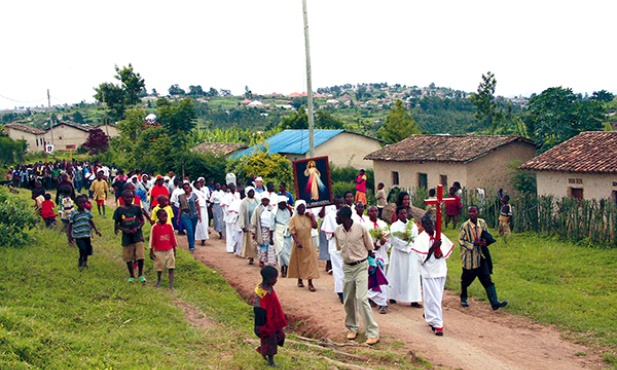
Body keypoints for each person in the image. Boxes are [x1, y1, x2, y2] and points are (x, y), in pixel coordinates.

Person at [334, 206, 380, 345]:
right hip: (347, 268)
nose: (336, 219)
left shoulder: (360, 228)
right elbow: (338, 248)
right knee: (348, 299)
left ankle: (372, 333)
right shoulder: (337, 231)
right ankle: (352, 327)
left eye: (338, 216)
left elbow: (370, 247)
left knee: (361, 298)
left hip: (361, 266)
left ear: (346, 218)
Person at [411, 214, 455, 336]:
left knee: (436, 297)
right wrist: (432, 248)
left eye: (432, 223)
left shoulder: (438, 235)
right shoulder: (421, 239)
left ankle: (430, 315)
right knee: (434, 298)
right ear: (423, 226)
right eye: (428, 224)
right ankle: (438, 324)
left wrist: (439, 250)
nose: (431, 226)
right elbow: (421, 259)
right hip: (429, 272)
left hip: (440, 270)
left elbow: (445, 253)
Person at [459, 205, 508, 310]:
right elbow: (461, 241)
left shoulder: (482, 223)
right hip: (469, 259)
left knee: (487, 280)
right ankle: (463, 297)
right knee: (466, 280)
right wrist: (473, 244)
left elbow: (487, 235)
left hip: (481, 257)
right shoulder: (465, 226)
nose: (472, 213)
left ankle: (494, 302)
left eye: (474, 211)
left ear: (477, 212)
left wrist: (485, 242)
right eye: (470, 211)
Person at [387, 206, 423, 308]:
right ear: (397, 215)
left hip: (410, 253)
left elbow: (415, 238)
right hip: (398, 252)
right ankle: (393, 295)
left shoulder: (412, 226)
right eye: (401, 213)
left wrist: (409, 244)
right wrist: (405, 244)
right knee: (396, 273)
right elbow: (394, 238)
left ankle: (413, 299)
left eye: (404, 213)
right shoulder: (394, 226)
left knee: (412, 275)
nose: (403, 215)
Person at [253, 266, 287, 368]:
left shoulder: (269, 288)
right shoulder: (262, 294)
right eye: (274, 278)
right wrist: (259, 326)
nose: (276, 280)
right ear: (267, 278)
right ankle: (271, 362)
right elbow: (258, 310)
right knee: (271, 341)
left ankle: (263, 349)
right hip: (266, 323)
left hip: (273, 320)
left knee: (280, 336)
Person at [113, 190, 146, 283]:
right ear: (122, 198)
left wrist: (138, 227)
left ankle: (140, 274)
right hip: (126, 236)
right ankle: (132, 275)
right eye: (127, 197)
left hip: (138, 235)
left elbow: (142, 221)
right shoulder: (119, 210)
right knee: (128, 257)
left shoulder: (136, 208)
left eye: (131, 197)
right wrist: (123, 229)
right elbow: (116, 223)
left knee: (140, 256)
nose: (129, 199)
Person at [287, 200, 319, 291]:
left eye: (303, 207)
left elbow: (315, 226)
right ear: (296, 208)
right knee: (299, 262)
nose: (302, 209)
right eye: (300, 207)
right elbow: (292, 232)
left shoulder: (308, 217)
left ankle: (310, 283)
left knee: (310, 263)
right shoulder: (293, 219)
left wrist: (312, 217)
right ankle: (300, 279)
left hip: (308, 242)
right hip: (298, 243)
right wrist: (297, 242)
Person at [366, 206, 391, 314]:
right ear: (368, 213)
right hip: (371, 255)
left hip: (382, 255)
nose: (374, 213)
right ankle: (376, 299)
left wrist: (383, 243)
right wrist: (373, 247)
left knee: (381, 278)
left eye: (376, 211)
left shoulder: (383, 225)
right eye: (372, 211)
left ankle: (382, 302)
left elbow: (389, 240)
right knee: (372, 278)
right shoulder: (365, 225)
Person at [321, 196, 345, 302]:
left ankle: (349, 291)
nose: (340, 205)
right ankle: (341, 292)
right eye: (338, 203)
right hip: (335, 247)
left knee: (347, 270)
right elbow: (328, 233)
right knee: (338, 270)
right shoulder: (330, 216)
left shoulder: (348, 213)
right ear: (334, 204)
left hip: (347, 247)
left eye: (341, 203)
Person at [68, 195, 101, 269]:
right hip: (78, 235)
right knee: (82, 248)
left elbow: (91, 221)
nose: (82, 204)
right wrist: (70, 235)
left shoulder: (87, 212)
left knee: (86, 249)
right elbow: (70, 224)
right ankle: (80, 261)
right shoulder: (74, 213)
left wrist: (96, 230)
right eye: (80, 203)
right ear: (76, 203)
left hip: (86, 234)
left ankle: (85, 263)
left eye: (84, 203)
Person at [149, 209, 178, 290]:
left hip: (169, 250)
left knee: (171, 266)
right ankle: (158, 280)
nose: (165, 218)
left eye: (166, 216)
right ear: (158, 217)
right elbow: (152, 239)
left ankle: (171, 285)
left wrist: (174, 249)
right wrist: (151, 251)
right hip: (158, 250)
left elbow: (173, 238)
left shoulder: (169, 226)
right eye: (163, 216)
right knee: (159, 266)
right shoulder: (154, 227)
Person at [270, 195, 292, 277]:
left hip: (288, 233)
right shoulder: (274, 212)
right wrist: (271, 238)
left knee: (287, 250)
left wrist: (291, 211)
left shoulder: (288, 211)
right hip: (278, 233)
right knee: (281, 251)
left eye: (284, 204)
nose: (283, 205)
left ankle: (286, 268)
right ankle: (282, 267)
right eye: (281, 204)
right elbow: (272, 225)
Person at [252, 194, 276, 267]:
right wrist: (254, 232)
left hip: (271, 230)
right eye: (264, 200)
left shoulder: (272, 209)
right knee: (262, 245)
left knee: (271, 246)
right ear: (261, 201)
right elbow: (254, 221)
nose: (265, 202)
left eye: (266, 200)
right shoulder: (258, 209)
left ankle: (270, 261)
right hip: (261, 229)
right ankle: (261, 260)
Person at [178, 182, 201, 253]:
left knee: (193, 230)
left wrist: (199, 215)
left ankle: (192, 242)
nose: (186, 189)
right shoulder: (181, 196)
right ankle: (191, 246)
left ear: (189, 188)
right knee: (189, 230)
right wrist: (178, 218)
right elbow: (180, 207)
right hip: (185, 215)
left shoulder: (194, 195)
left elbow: (197, 205)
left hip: (194, 215)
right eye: (185, 188)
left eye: (187, 188)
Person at [239, 187, 259, 263]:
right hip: (249, 225)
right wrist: (242, 226)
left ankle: (259, 256)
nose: (252, 193)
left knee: (258, 241)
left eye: (253, 192)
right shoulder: (244, 202)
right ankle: (251, 257)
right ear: (247, 193)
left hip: (257, 224)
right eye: (250, 192)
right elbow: (241, 214)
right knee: (251, 242)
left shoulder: (257, 200)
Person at [222, 183, 242, 254]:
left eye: (234, 186)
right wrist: (228, 214)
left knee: (236, 232)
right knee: (230, 232)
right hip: (229, 216)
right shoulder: (226, 196)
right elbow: (225, 207)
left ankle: (236, 247)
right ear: (229, 188)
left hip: (237, 216)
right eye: (232, 187)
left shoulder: (238, 194)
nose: (233, 188)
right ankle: (230, 248)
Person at [193, 180, 210, 246]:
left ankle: (204, 238)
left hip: (204, 208)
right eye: (198, 185)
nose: (199, 186)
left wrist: (210, 201)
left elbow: (206, 200)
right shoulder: (194, 193)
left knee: (205, 223)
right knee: (200, 223)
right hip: (198, 209)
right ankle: (199, 237)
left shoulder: (202, 192)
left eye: (200, 185)